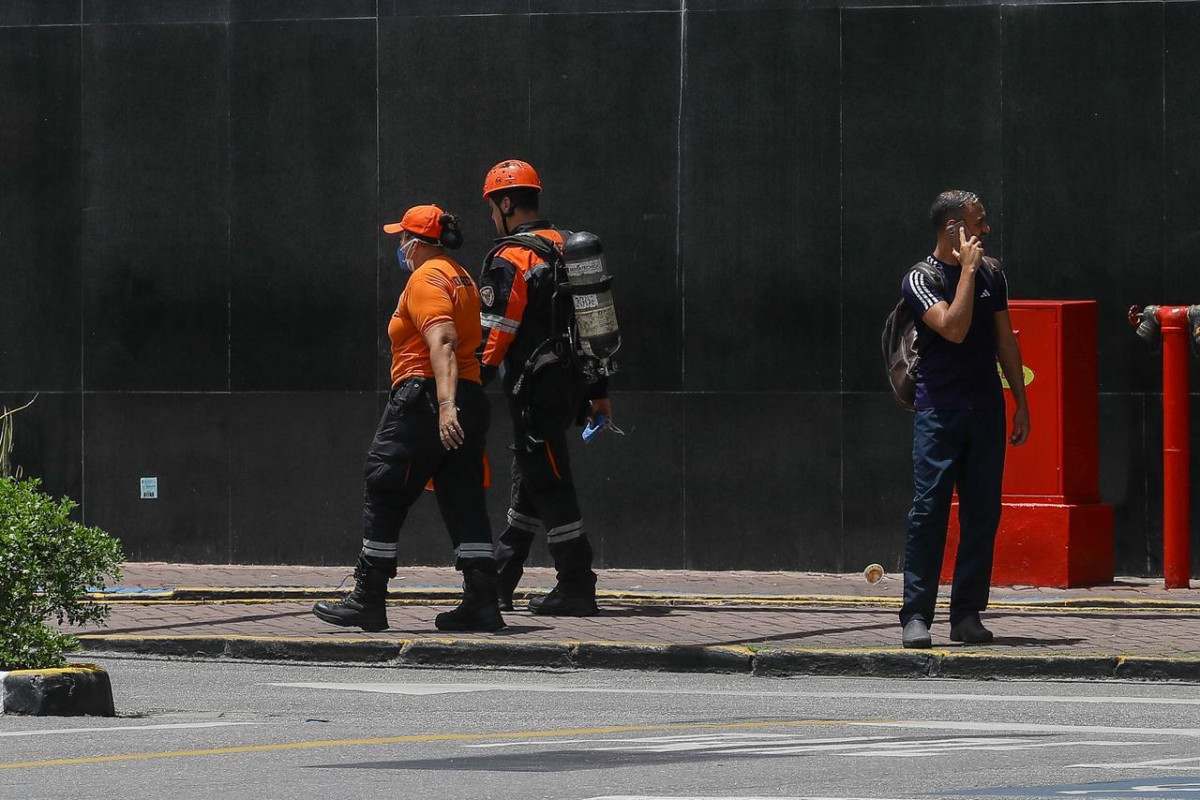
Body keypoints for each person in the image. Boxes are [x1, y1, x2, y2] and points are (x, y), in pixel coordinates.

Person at [312, 204, 504, 633]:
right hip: (468, 396)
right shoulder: (463, 277)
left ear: (415, 243)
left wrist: (445, 404)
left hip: (425, 398)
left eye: (402, 238)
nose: (400, 245)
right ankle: (482, 601)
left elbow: (444, 340)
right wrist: (457, 402)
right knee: (463, 496)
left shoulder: (426, 277)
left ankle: (369, 596)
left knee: (384, 482)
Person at [477, 159, 611, 616]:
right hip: (570, 384)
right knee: (534, 477)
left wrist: (468, 383)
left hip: (533, 389)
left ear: (507, 202)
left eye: (493, 206)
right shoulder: (565, 247)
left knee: (551, 483)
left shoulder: (511, 256)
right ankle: (501, 576)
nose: (492, 216)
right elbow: (592, 322)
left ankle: (577, 583)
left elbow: (496, 332)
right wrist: (598, 391)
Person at [898, 190, 1031, 649]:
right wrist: (968, 271)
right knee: (929, 511)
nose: (985, 230)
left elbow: (1004, 342)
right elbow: (953, 327)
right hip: (940, 411)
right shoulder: (920, 278)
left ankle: (967, 614)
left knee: (982, 514)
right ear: (953, 228)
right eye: (977, 223)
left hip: (985, 409)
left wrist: (1021, 402)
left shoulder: (993, 273)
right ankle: (916, 614)